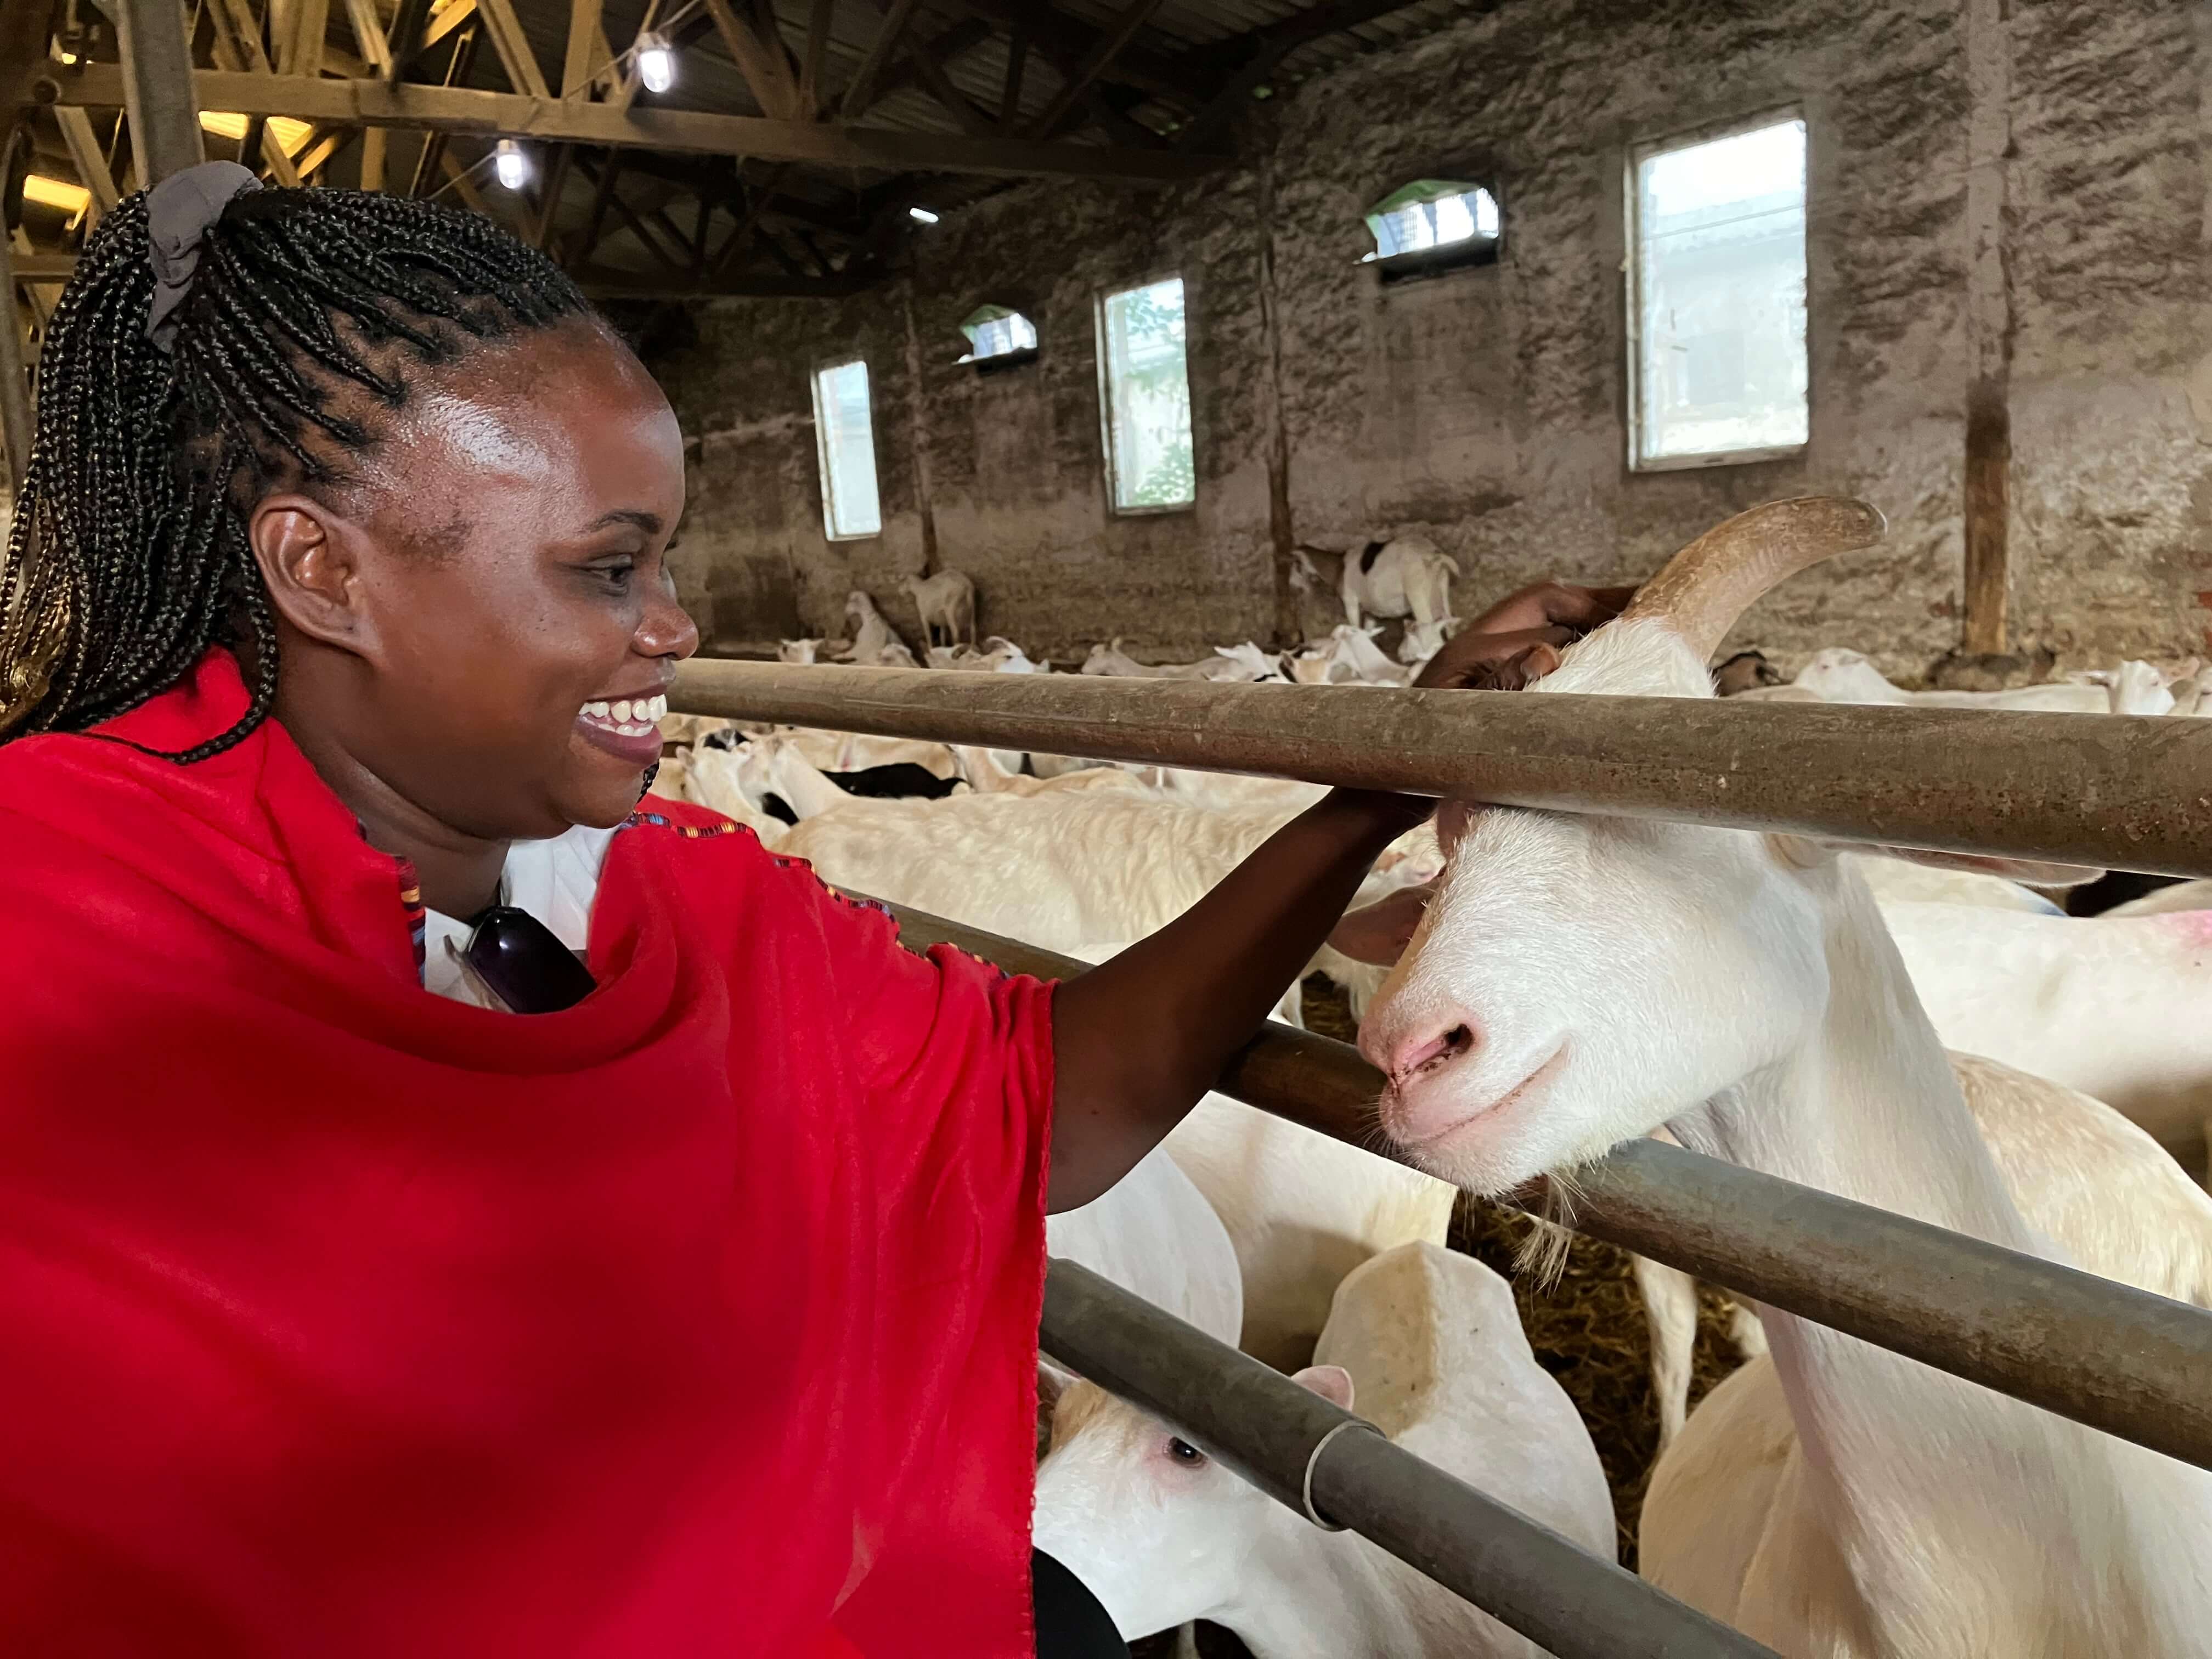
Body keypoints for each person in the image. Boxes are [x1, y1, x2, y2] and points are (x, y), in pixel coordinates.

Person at [0, 163, 1626, 1658]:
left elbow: (1032, 1099)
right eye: (608, 567)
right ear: (323, 570)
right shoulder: (52, 930)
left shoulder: (673, 905)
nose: (674, 624)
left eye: (666, 560)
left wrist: (1369, 787)